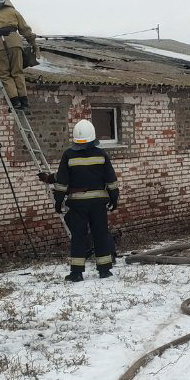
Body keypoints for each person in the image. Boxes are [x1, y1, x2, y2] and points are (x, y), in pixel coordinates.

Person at [52, 119, 119, 282]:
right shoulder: (102, 154)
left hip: (77, 204)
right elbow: (111, 179)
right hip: (98, 204)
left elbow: (61, 181)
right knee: (101, 235)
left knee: (79, 236)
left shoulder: (68, 154)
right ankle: (104, 270)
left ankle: (76, 273)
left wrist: (58, 200)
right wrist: (114, 197)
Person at [0, 0, 38, 110]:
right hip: (15, 43)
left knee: (4, 75)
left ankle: (15, 101)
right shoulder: (14, 12)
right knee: (17, 72)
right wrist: (33, 43)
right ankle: (24, 100)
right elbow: (25, 29)